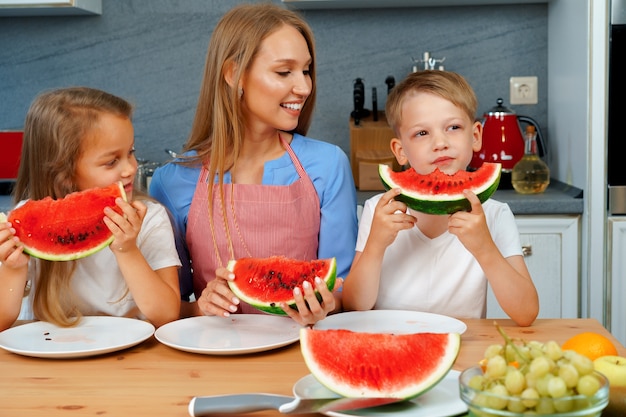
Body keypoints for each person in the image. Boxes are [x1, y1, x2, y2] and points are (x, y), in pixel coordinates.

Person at [149, 3, 357, 326]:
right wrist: (200, 306)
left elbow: (343, 291)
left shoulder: (329, 165)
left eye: (306, 70)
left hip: (300, 353)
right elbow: (168, 306)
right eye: (284, 71)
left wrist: (326, 305)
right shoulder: (170, 181)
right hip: (212, 358)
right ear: (234, 74)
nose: (303, 87)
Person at [342, 71, 539, 327]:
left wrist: (485, 248)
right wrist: (375, 246)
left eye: (453, 127)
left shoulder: (494, 215)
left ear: (476, 136)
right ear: (400, 151)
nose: (440, 142)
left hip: (462, 348)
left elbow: (526, 313)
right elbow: (354, 306)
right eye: (422, 133)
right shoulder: (379, 211)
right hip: (389, 347)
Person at [0, 87, 181, 332]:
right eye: (111, 161)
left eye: (131, 152)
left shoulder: (149, 218)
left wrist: (127, 251)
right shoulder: (23, 226)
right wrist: (14, 269)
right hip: (51, 353)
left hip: (134, 355)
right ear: (64, 173)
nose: (130, 168)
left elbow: (167, 315)